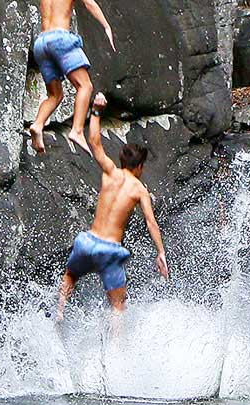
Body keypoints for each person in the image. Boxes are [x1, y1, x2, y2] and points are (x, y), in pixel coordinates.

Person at [0, 0, 114, 152]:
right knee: (85, 86)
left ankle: (37, 125)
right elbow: (90, 3)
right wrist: (106, 25)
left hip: (42, 43)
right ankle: (78, 130)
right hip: (61, 39)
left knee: (55, 95)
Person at [56, 95, 169, 318]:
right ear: (139, 167)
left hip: (87, 242)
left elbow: (95, 142)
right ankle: (116, 349)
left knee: (70, 275)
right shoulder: (139, 190)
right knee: (118, 306)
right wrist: (161, 252)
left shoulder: (110, 172)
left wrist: (96, 111)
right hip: (110, 250)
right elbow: (151, 222)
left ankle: (59, 312)